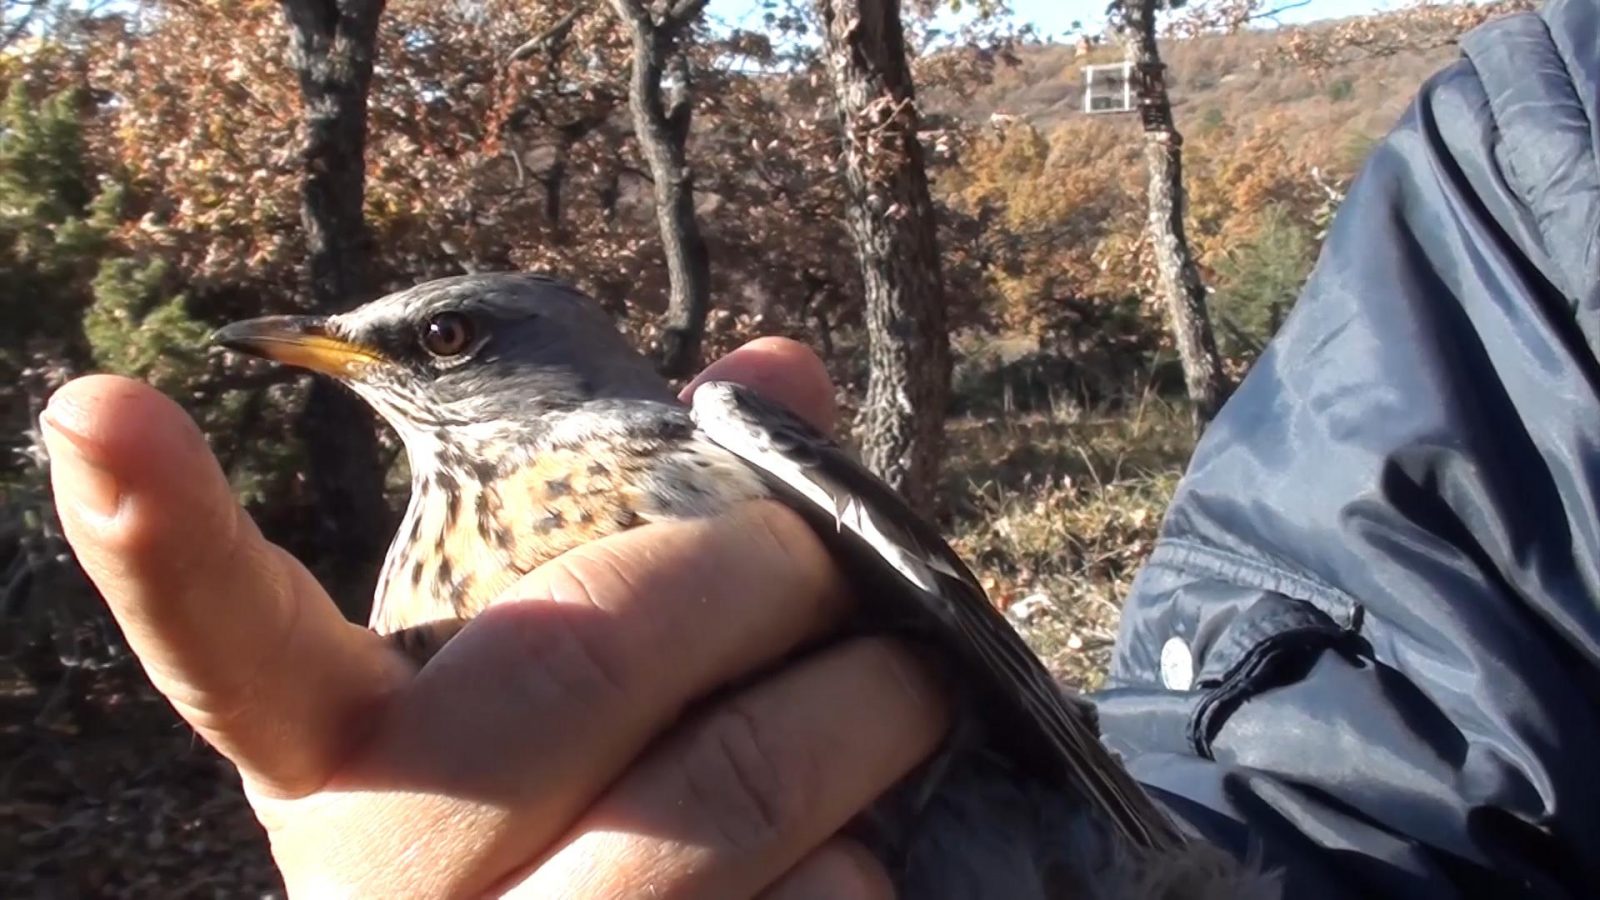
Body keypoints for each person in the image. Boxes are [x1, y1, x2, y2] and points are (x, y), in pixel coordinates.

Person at [39, 1, 1600, 896]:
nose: (355, 362)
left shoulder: (712, 443)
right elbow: (1407, 784)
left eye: (442, 341)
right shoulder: (407, 597)